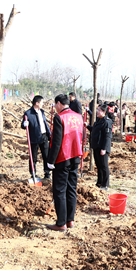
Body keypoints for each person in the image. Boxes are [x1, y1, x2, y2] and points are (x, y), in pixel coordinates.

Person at [46, 94, 83, 230]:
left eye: (55, 105)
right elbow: (82, 136)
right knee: (71, 189)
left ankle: (61, 223)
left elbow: (56, 141)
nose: (55, 108)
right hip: (76, 156)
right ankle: (70, 220)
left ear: (59, 103)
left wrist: (50, 161)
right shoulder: (79, 116)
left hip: (63, 157)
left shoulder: (59, 117)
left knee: (60, 190)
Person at [21, 95, 52, 181]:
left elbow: (45, 124)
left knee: (46, 156)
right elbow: (23, 125)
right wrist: (25, 124)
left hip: (44, 136)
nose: (43, 104)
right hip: (34, 137)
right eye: (42, 102)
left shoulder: (41, 111)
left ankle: (47, 173)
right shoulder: (28, 113)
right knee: (33, 157)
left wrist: (49, 134)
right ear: (37, 103)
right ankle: (33, 173)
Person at [85, 104, 112, 191]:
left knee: (104, 166)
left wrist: (104, 148)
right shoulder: (98, 120)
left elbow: (107, 137)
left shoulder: (107, 122)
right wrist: (88, 126)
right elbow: (95, 130)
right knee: (99, 166)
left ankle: (105, 184)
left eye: (99, 110)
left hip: (102, 147)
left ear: (104, 112)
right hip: (96, 146)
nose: (97, 111)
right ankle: (99, 182)